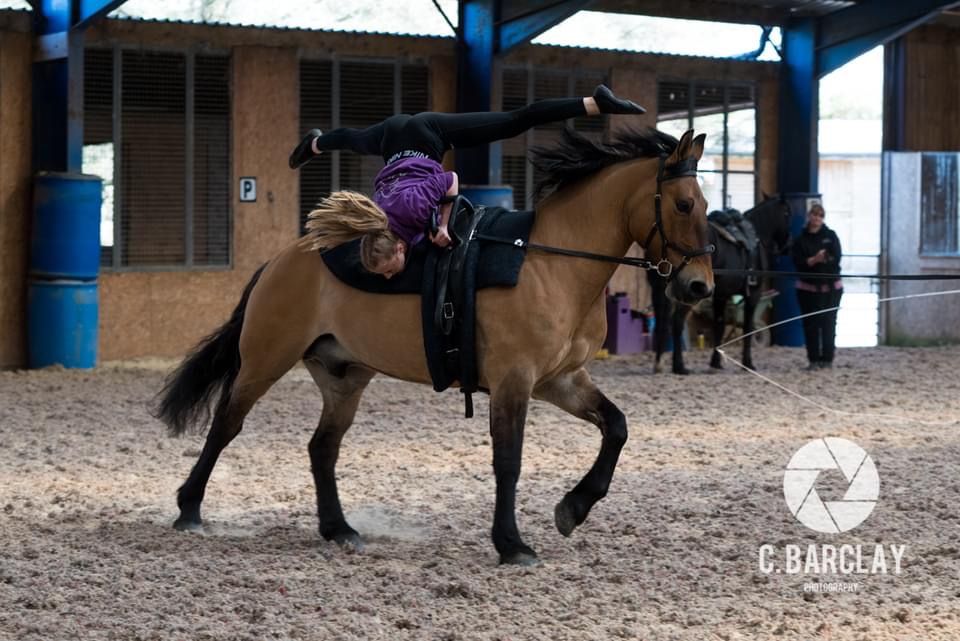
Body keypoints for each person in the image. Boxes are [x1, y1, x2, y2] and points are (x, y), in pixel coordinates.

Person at [292, 85, 645, 278]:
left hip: (425, 134)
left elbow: (450, 179)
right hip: (391, 138)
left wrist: (444, 225)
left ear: (399, 248)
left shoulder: (410, 210)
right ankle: (314, 143)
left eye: (387, 270)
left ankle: (595, 103)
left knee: (512, 122)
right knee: (350, 139)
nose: (388, 276)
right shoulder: (378, 222)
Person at [791, 203, 843, 369]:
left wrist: (824, 259)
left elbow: (837, 258)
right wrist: (814, 260)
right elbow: (798, 262)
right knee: (810, 325)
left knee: (829, 323)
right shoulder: (800, 239)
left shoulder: (831, 236)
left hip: (831, 290)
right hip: (807, 291)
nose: (817, 218)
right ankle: (813, 360)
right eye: (814, 214)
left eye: (820, 215)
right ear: (809, 216)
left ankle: (827, 360)